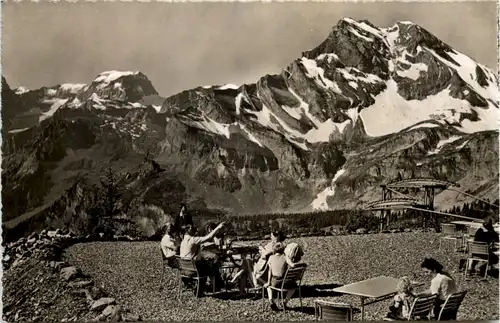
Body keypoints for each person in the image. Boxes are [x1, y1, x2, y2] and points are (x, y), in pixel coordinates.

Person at [180, 223, 226, 297]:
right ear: (188, 230)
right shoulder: (193, 240)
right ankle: (217, 285)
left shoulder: (183, 241)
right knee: (213, 267)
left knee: (206, 264)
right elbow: (209, 237)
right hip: (193, 271)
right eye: (192, 228)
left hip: (184, 269)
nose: (194, 228)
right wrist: (218, 228)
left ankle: (206, 288)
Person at [263, 242, 298, 311]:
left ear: (274, 250)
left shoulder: (271, 257)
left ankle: (271, 300)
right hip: (285, 282)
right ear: (283, 249)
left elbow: (269, 270)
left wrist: (268, 281)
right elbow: (293, 265)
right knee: (294, 287)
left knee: (268, 286)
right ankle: (284, 302)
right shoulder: (285, 257)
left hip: (275, 281)